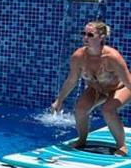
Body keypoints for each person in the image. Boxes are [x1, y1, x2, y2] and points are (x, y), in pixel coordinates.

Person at [51, 21, 131, 155]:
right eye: (84, 34)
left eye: (90, 35)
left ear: (101, 37)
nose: (85, 38)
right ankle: (82, 140)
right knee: (80, 109)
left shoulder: (112, 57)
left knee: (108, 110)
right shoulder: (79, 56)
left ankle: (122, 145)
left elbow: (128, 82)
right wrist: (59, 100)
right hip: (97, 89)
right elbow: (71, 81)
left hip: (121, 88)